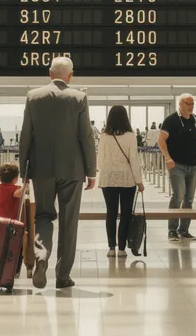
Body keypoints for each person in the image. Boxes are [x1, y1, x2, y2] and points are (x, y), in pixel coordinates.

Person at [19, 56, 96, 289]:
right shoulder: (79, 98)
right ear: (69, 76)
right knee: (69, 220)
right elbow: (86, 136)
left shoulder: (33, 97)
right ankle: (62, 275)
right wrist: (91, 171)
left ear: (50, 74)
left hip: (41, 169)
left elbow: (25, 136)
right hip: (72, 169)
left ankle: (41, 257)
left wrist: (24, 170)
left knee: (43, 215)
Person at [159, 94, 196, 242]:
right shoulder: (171, 120)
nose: (191, 107)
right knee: (178, 196)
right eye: (188, 103)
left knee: (189, 199)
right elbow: (161, 140)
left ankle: (184, 230)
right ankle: (172, 230)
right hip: (177, 165)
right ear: (180, 104)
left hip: (192, 165)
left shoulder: (195, 120)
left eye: (193, 104)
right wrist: (167, 158)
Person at [96, 104, 143, 258]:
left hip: (108, 177)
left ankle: (111, 247)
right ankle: (122, 248)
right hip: (127, 179)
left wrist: (101, 175)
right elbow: (134, 160)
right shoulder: (130, 136)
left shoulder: (104, 136)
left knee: (111, 212)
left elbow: (100, 159)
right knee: (125, 213)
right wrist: (139, 181)